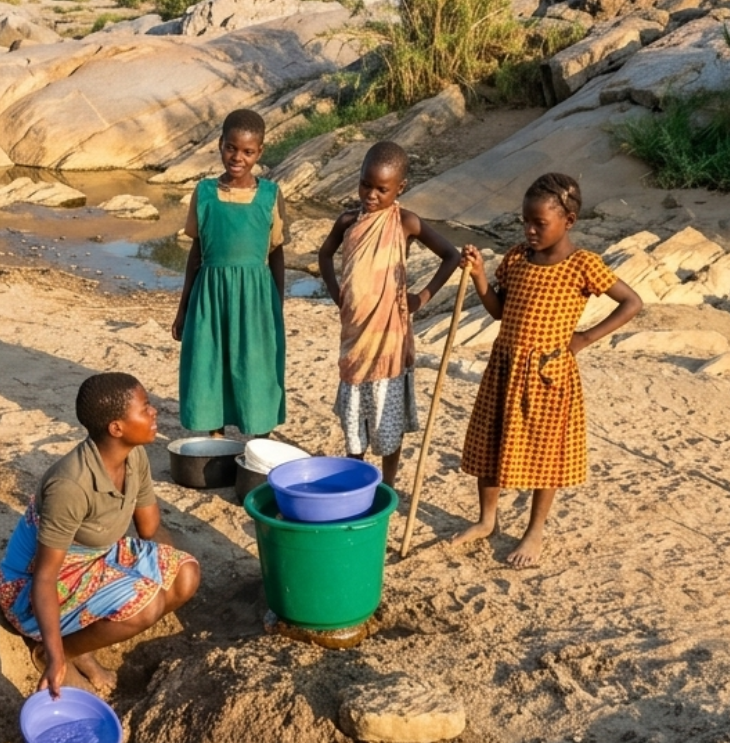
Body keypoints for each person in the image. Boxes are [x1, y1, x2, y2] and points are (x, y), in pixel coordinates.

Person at [450, 172, 643, 567]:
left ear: (568, 222)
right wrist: (480, 277)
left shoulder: (582, 265)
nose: (530, 230)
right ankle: (487, 520)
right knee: (490, 442)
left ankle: (534, 530)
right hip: (504, 365)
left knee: (545, 454)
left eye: (540, 223)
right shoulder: (517, 258)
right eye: (525, 221)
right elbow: (501, 312)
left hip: (548, 375)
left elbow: (631, 302)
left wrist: (584, 338)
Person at [0, 372, 200, 697]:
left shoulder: (135, 457)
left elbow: (150, 529)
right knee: (146, 605)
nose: (154, 412)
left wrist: (166, 574)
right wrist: (147, 602)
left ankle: (80, 642)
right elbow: (44, 577)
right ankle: (52, 652)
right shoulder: (70, 485)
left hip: (96, 555)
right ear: (116, 428)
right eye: (145, 408)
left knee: (185, 575)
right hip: (32, 585)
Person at [317, 141, 461, 487]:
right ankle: (356, 478)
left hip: (389, 340)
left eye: (382, 189)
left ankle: (388, 484)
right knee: (355, 417)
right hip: (354, 337)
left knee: (387, 418)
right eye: (366, 184)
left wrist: (421, 298)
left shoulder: (406, 223)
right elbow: (325, 256)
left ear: (400, 188)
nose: (371, 194)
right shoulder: (348, 221)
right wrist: (340, 296)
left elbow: (450, 255)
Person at [170, 109, 287, 438]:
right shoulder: (204, 193)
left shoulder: (270, 196)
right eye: (231, 148)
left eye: (248, 152)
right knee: (211, 361)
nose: (238, 157)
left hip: (255, 297)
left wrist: (277, 302)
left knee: (256, 365)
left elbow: (276, 251)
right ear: (220, 145)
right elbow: (196, 252)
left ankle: (259, 439)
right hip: (210, 294)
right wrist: (183, 308)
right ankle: (216, 439)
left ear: (259, 153)